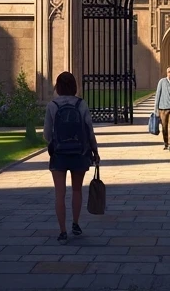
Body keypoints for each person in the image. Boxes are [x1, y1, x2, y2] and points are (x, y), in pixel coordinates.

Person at [44, 71, 100, 245]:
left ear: (58, 86)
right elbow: (89, 130)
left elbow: (47, 134)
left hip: (59, 154)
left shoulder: (52, 105)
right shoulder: (81, 104)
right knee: (77, 190)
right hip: (79, 152)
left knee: (59, 194)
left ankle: (62, 231)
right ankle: (75, 223)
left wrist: (56, 142)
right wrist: (95, 151)